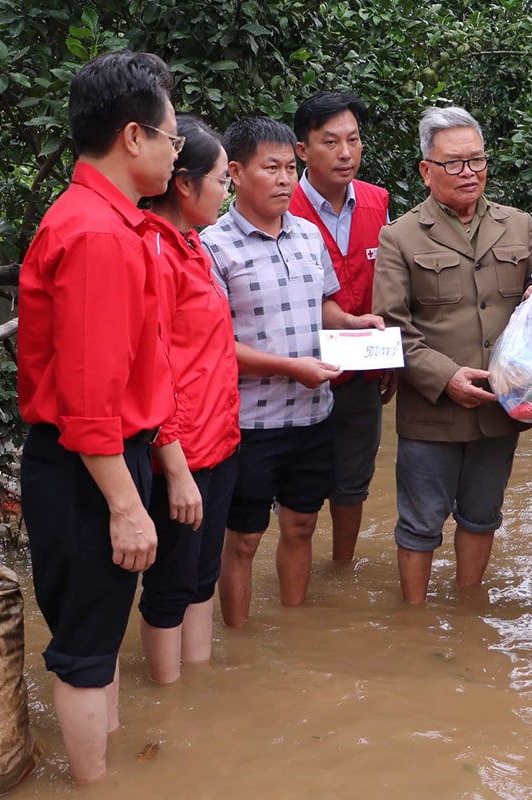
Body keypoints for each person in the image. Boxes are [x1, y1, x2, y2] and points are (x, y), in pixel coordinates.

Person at [17, 51, 186, 783]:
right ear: (133, 136)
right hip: (91, 465)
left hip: (100, 458)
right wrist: (125, 505)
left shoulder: (107, 222)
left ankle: (106, 772)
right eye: (172, 138)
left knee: (98, 633)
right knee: (86, 651)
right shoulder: (98, 235)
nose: (177, 153)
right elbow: (89, 399)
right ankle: (93, 787)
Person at [201, 116, 383, 627]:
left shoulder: (308, 234)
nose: (284, 180)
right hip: (250, 423)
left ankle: (294, 629)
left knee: (302, 525)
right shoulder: (212, 247)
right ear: (236, 173)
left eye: (288, 168)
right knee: (243, 539)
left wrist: (354, 323)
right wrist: (289, 367)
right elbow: (214, 344)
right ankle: (238, 638)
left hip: (313, 415)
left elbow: (322, 306)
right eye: (271, 168)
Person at [373, 106, 532, 604]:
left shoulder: (518, 226)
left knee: (482, 516)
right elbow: (392, 327)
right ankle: (414, 621)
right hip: (432, 412)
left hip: (501, 405)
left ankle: (468, 610)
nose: (468, 172)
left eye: (476, 160)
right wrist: (447, 377)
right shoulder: (400, 236)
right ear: (426, 170)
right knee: (419, 524)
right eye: (453, 163)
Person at [138, 116, 240, 682]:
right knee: (171, 582)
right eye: (222, 180)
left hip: (218, 441)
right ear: (184, 183)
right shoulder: (153, 251)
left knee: (202, 575)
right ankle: (167, 696)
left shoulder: (192, 244)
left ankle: (196, 694)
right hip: (180, 454)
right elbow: (151, 369)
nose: (227, 191)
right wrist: (175, 468)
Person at [290, 91, 396, 564]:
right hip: (299, 371)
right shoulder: (281, 205)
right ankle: (297, 569)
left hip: (363, 371)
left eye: (353, 140)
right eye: (331, 142)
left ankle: (341, 571)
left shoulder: (378, 202)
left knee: (353, 484)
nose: (345, 153)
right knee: (298, 493)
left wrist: (392, 358)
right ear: (302, 149)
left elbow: (390, 285)